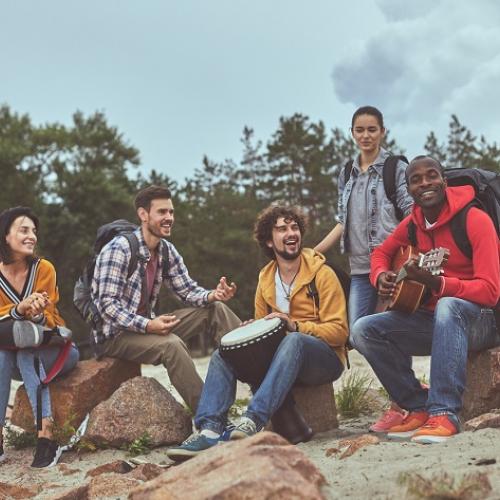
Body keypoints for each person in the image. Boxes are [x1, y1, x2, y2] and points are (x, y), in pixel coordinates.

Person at [167, 203, 348, 460]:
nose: (291, 233)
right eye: (282, 229)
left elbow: (339, 332)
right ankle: (209, 430)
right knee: (224, 353)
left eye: (294, 227)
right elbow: (265, 328)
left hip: (323, 358)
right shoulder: (265, 278)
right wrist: (252, 330)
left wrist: (294, 325)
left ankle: (253, 419)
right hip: (283, 361)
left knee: (294, 341)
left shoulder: (322, 274)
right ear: (269, 241)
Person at [350, 156, 500, 443]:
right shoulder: (412, 224)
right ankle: (417, 404)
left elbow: (491, 290)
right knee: (363, 330)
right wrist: (380, 275)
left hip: (484, 321)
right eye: (415, 180)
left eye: (431, 176)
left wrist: (439, 284)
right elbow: (380, 254)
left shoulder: (475, 219)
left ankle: (444, 413)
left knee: (448, 305)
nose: (425, 183)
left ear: (444, 181)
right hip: (438, 322)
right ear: (409, 189)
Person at [91, 185, 240, 413]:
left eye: (171, 212)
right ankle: (210, 416)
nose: (169, 218)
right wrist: (149, 325)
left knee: (215, 309)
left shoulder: (166, 251)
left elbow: (187, 291)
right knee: (172, 346)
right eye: (162, 212)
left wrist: (212, 294)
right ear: (143, 215)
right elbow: (107, 306)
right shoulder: (119, 249)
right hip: (115, 335)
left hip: (148, 327)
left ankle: (258, 376)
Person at [315, 105, 413, 432]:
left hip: (391, 266)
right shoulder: (347, 172)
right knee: (357, 333)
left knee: (391, 330)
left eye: (372, 129)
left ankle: (403, 404)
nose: (366, 135)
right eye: (360, 130)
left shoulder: (395, 167)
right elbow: (342, 221)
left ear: (382, 131)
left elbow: (411, 214)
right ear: (352, 133)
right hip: (360, 270)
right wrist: (313, 252)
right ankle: (410, 392)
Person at [0, 207, 79, 468]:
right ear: (6, 236)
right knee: (1, 357)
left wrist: (34, 313)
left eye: (34, 231)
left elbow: (52, 320)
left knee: (27, 354)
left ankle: (47, 438)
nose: (31, 236)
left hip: (56, 349)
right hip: (10, 351)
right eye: (24, 230)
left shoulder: (44, 268)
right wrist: (18, 308)